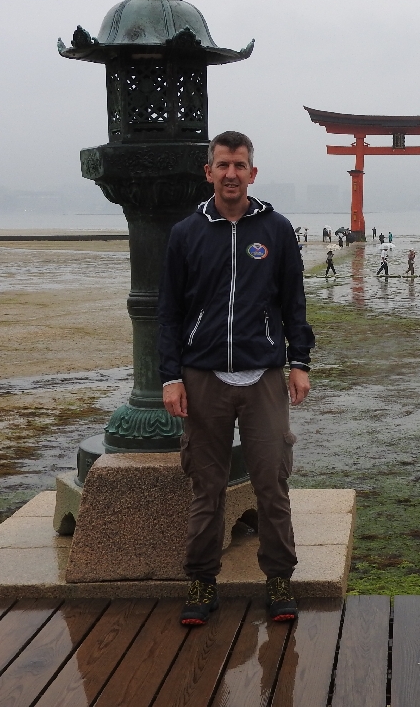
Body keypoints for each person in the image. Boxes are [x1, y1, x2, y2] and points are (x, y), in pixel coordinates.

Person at [158, 131, 314, 627]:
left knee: (272, 481)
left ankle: (279, 578)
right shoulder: (186, 233)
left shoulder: (276, 229)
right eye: (223, 165)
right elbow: (169, 312)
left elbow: (293, 301)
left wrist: (300, 362)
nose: (231, 174)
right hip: (203, 375)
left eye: (239, 165)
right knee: (207, 486)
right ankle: (202, 581)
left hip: (263, 374)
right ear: (209, 172)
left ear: (252, 172)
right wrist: (170, 377)